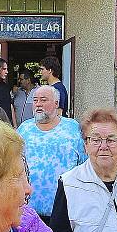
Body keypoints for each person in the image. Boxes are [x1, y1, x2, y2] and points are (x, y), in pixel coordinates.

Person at [17, 85, 87, 224]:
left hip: (65, 211)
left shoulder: (72, 128)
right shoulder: (24, 129)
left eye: (43, 100)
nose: (38, 104)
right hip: (28, 212)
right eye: (35, 100)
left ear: (56, 104)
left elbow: (84, 164)